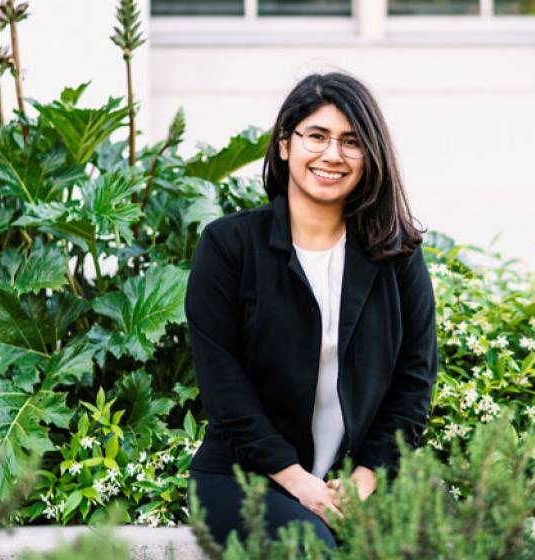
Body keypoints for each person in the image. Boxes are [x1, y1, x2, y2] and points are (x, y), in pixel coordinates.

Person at [185, 71, 438, 549]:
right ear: (285, 144)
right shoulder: (229, 245)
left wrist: (363, 482)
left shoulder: (397, 254)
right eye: (317, 136)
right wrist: (300, 483)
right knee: (309, 547)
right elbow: (224, 388)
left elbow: (415, 381)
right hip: (245, 478)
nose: (332, 155)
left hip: (359, 481)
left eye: (351, 142)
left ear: (370, 155)